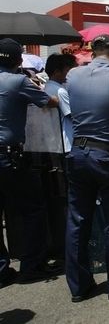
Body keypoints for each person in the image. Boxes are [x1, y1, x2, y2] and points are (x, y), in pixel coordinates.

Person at [64, 35, 109, 303]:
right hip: (105, 154)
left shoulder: (73, 75)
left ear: (92, 52)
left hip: (78, 152)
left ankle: (79, 286)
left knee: (77, 221)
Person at [0, 38, 60, 287]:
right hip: (10, 155)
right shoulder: (18, 81)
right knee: (31, 210)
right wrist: (35, 83)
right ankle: (32, 265)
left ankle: (2, 270)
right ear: (17, 60)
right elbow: (50, 102)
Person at [44, 53, 77, 153]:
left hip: (54, 140)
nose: (68, 74)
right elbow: (72, 115)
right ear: (57, 72)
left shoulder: (47, 87)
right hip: (67, 141)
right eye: (67, 71)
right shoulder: (60, 91)